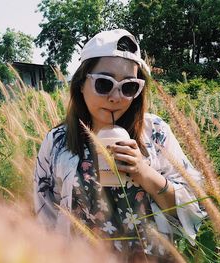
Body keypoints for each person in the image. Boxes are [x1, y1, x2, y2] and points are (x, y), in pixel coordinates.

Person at [33, 29, 205, 262]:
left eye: (129, 87)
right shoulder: (57, 142)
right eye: (104, 84)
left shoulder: (155, 132)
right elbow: (46, 219)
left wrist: (145, 173)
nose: (116, 97)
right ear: (81, 83)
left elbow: (195, 208)